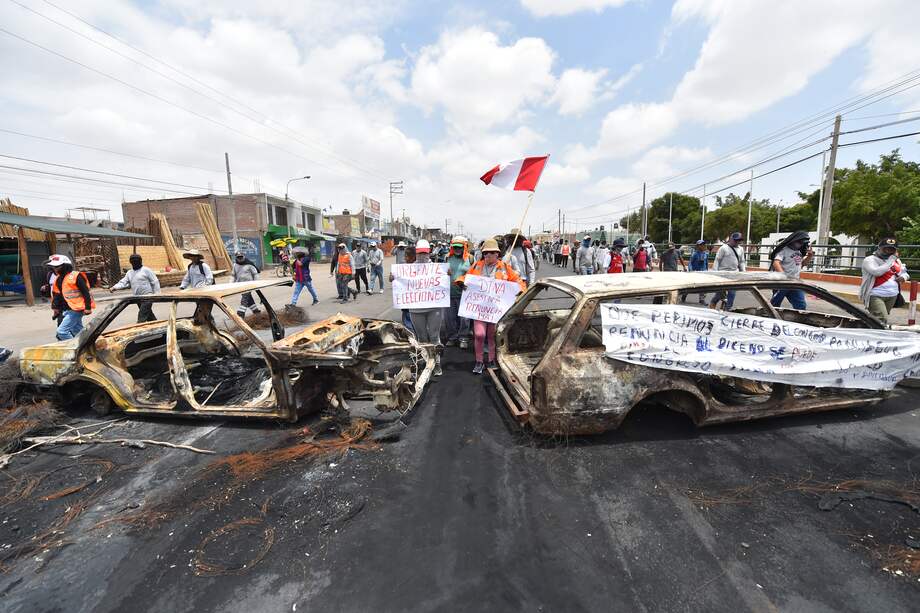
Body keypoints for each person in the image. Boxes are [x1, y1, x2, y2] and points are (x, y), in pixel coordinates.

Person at [457, 238, 526, 375]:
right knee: (479, 334)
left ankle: (491, 359)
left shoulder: (505, 267)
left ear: (497, 254)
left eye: (491, 253)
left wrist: (521, 289)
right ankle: (479, 361)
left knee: (492, 335)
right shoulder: (477, 266)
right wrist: (460, 282)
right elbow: (466, 277)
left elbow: (518, 281)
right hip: (479, 309)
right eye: (486, 253)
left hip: (496, 310)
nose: (488, 255)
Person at [406, 239, 443, 376]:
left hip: (434, 308)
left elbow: (443, 284)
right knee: (421, 338)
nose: (423, 256)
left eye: (425, 253)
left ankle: (437, 363)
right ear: (416, 253)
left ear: (429, 253)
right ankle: (427, 362)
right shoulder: (408, 269)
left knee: (434, 336)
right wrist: (394, 278)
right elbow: (402, 285)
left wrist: (447, 275)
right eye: (420, 253)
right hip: (416, 308)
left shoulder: (438, 269)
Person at [860, 237, 910, 324]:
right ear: (879, 248)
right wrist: (891, 260)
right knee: (881, 319)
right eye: (886, 248)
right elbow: (877, 272)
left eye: (891, 249)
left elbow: (904, 273)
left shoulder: (897, 260)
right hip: (875, 294)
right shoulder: (870, 260)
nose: (888, 251)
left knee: (877, 319)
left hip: (893, 295)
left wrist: (904, 277)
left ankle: (868, 329)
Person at [47, 254, 94, 341]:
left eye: (57, 267)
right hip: (66, 309)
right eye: (54, 267)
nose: (55, 269)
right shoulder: (58, 278)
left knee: (62, 331)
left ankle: (75, 348)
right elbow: (57, 295)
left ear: (65, 266)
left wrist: (88, 307)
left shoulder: (76, 276)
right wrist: (55, 309)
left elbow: (86, 292)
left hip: (76, 309)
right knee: (79, 331)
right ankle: (88, 345)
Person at [769, 231, 813, 310]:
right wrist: (783, 276)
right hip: (782, 283)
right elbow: (776, 263)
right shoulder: (784, 250)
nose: (800, 244)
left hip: (795, 282)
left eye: (802, 243)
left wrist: (809, 256)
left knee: (801, 305)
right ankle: (769, 317)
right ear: (793, 240)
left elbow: (802, 264)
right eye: (799, 242)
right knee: (775, 304)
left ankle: (800, 319)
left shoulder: (799, 251)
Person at [110, 253, 161, 322]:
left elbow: (155, 282)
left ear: (140, 261)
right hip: (138, 297)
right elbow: (124, 282)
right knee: (149, 316)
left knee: (142, 316)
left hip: (148, 297)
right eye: (133, 260)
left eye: (137, 260)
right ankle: (157, 326)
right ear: (131, 262)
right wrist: (114, 287)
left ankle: (139, 328)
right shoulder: (130, 273)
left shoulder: (146, 270)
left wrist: (157, 294)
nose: (135, 262)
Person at [445, 236, 472, 349]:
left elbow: (474, 274)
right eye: (455, 247)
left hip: (464, 294)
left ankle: (463, 338)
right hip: (449, 293)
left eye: (460, 247)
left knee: (464, 319)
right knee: (450, 318)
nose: (457, 249)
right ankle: (452, 337)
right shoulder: (447, 258)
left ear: (464, 247)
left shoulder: (470, 259)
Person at [709, 232, 746, 309]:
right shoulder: (723, 248)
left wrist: (743, 272)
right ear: (731, 239)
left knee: (732, 294)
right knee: (720, 294)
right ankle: (713, 303)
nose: (737, 242)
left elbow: (742, 261)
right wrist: (715, 273)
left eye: (739, 240)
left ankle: (727, 309)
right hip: (723, 273)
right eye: (736, 240)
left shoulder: (741, 249)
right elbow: (717, 260)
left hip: (734, 274)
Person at [231, 251, 261, 317]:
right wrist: (230, 284)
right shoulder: (235, 265)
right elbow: (233, 275)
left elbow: (255, 274)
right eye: (238, 257)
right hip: (240, 285)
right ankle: (255, 310)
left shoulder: (249, 264)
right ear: (236, 258)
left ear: (244, 256)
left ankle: (241, 312)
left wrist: (256, 283)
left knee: (245, 298)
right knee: (248, 298)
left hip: (249, 285)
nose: (240, 258)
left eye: (241, 257)